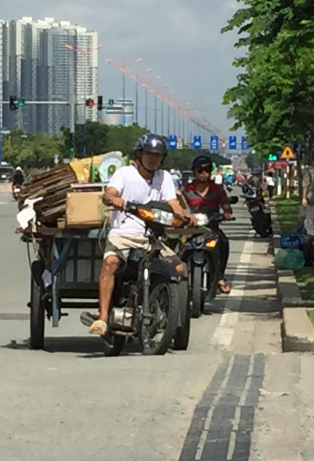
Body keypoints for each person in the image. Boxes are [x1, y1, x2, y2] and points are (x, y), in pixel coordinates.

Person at [90, 134, 196, 337]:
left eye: (157, 155)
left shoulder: (163, 177)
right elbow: (108, 194)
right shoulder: (124, 174)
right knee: (110, 263)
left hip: (151, 237)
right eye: (149, 154)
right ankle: (102, 317)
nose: (153, 158)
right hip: (122, 234)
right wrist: (114, 199)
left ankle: (165, 309)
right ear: (139, 154)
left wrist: (184, 215)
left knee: (180, 268)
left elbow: (172, 202)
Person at [182, 155, 234, 294]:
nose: (204, 173)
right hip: (190, 230)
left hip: (211, 229)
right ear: (194, 171)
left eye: (207, 170)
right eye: (200, 170)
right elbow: (178, 205)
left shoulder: (217, 189)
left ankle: (220, 277)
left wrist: (227, 213)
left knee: (223, 243)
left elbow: (225, 204)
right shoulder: (186, 190)